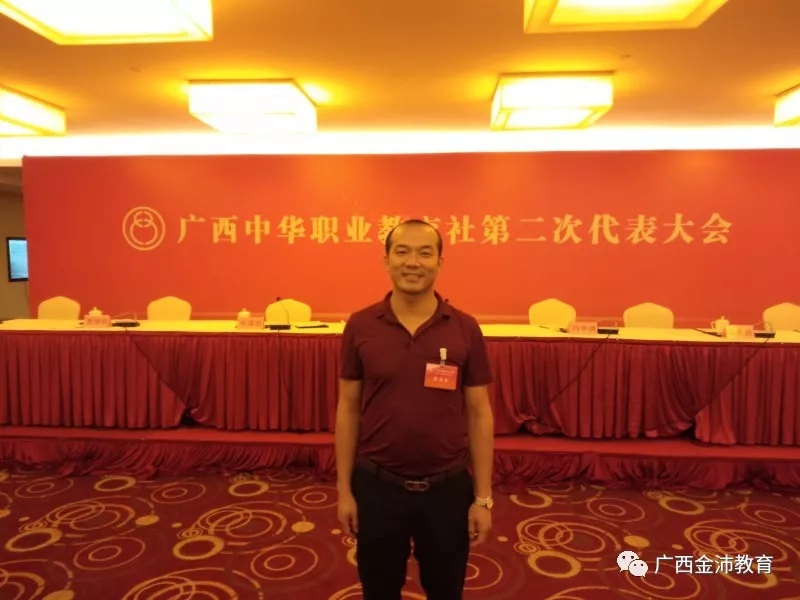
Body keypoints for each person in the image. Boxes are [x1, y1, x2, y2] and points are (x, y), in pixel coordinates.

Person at [335, 219, 495, 600]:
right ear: (386, 260)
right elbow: (348, 407)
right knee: (379, 590)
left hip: (447, 489)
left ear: (440, 262)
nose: (413, 262)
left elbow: (479, 413)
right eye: (402, 252)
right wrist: (344, 490)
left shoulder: (464, 328)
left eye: (425, 253)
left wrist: (482, 498)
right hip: (377, 486)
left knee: (446, 590)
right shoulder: (360, 326)